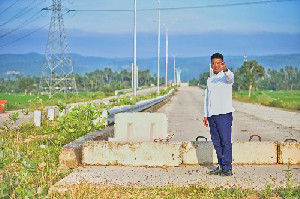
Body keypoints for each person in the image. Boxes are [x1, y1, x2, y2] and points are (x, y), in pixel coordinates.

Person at [203, 53, 235, 176]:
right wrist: (206, 115)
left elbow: (230, 77)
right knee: (216, 142)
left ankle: (227, 167)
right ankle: (221, 166)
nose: (216, 65)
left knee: (225, 141)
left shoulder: (226, 77)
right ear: (211, 65)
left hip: (224, 114)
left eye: (219, 63)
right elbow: (207, 98)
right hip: (212, 115)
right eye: (214, 63)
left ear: (222, 63)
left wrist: (225, 69)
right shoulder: (210, 79)